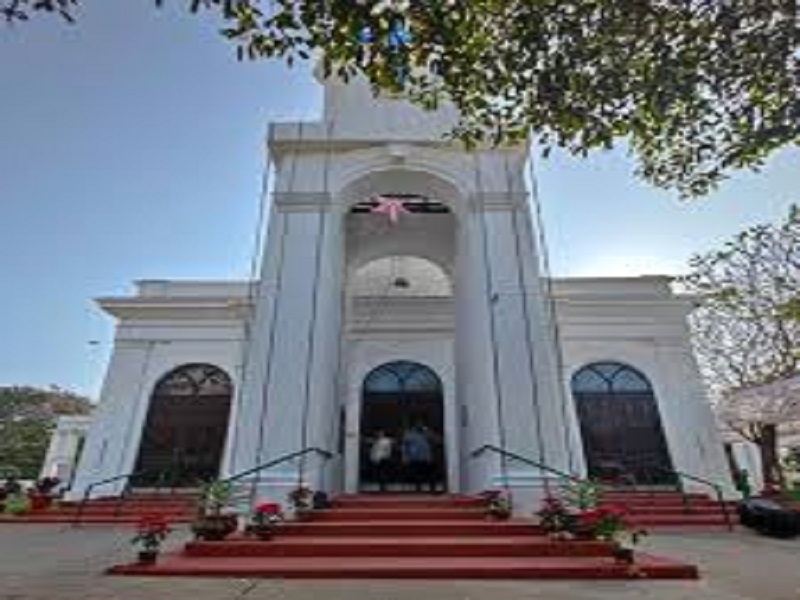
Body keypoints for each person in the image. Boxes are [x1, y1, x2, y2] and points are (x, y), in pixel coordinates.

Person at [402, 423, 435, 493]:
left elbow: (433, 439)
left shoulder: (426, 434)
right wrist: (405, 456)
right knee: (416, 474)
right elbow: (405, 446)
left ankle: (432, 488)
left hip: (425, 457)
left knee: (428, 473)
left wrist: (426, 430)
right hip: (414, 457)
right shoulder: (409, 434)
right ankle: (418, 488)